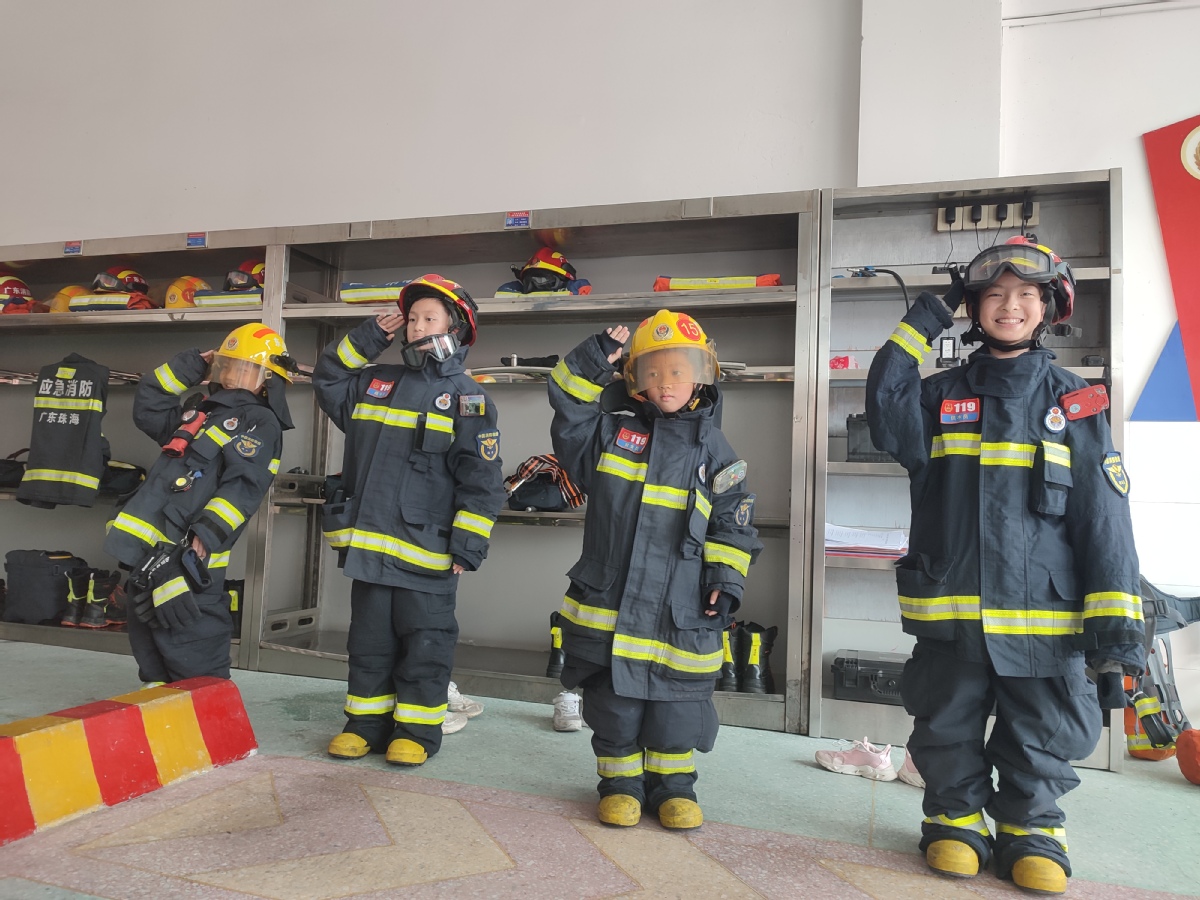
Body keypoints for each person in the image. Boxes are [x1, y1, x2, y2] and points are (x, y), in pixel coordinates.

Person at [866, 236, 1144, 895]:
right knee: (947, 723)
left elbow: (1104, 522)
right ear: (973, 306)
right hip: (954, 613)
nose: (1009, 306)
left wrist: (1117, 641)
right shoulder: (939, 398)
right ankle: (954, 822)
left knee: (1041, 730)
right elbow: (885, 407)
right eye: (993, 294)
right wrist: (929, 316)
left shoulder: (1077, 404)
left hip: (1045, 620)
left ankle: (1033, 832)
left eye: (1025, 294)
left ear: (1050, 307)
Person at [548, 308, 762, 830]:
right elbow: (569, 408)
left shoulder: (714, 447)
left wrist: (725, 580)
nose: (666, 385)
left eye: (678, 372)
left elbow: (734, 519)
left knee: (678, 707)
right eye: (653, 372)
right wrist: (592, 358)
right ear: (635, 380)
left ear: (700, 377)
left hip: (681, 610)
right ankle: (620, 784)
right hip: (611, 604)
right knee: (613, 705)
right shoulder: (610, 435)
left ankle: (674, 787)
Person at [314, 274, 506, 767]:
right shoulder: (378, 382)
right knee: (369, 644)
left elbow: (481, 480)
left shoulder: (468, 397)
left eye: (430, 318)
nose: (418, 327)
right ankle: (364, 725)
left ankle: (417, 732)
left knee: (425, 645)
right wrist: (369, 336)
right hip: (373, 551)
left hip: (429, 555)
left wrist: (468, 545)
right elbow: (330, 375)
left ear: (456, 328)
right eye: (413, 318)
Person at [105, 324, 296, 683]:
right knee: (149, 645)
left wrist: (206, 535)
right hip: (148, 553)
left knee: (193, 645)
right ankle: (162, 719)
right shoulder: (200, 411)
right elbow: (149, 407)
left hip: (188, 555)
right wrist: (189, 366)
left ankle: (209, 725)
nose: (235, 377)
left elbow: (245, 484)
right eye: (229, 366)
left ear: (268, 380)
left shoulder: (259, 421)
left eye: (246, 370)